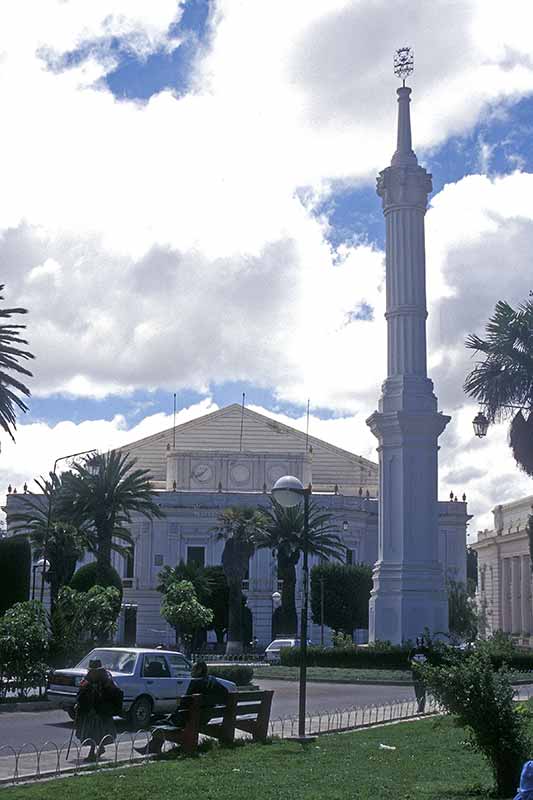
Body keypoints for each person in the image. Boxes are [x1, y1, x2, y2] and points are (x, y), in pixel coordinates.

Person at [135, 661, 232, 755]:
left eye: (193, 669)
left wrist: (172, 715)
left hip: (189, 719)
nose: (191, 672)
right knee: (166, 720)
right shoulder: (213, 680)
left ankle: (153, 747)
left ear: (199, 670)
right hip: (204, 718)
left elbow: (184, 703)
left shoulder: (195, 682)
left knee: (159, 722)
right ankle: (153, 747)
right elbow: (226, 694)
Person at [75, 658, 121, 761]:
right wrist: (79, 701)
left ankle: (93, 752)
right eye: (91, 670)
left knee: (98, 732)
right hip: (90, 709)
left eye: (95, 670)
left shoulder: (107, 678)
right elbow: (81, 691)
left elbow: (114, 692)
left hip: (102, 710)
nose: (92, 672)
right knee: (89, 732)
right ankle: (98, 749)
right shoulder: (87, 678)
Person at [409, 637, 429, 713]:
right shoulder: (413, 650)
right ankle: (419, 706)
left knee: (422, 691)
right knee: (417, 691)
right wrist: (416, 663)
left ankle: (421, 707)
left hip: (423, 673)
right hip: (415, 673)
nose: (420, 644)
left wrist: (423, 665)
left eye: (421, 643)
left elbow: (428, 659)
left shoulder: (426, 650)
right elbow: (410, 659)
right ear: (417, 643)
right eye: (418, 643)